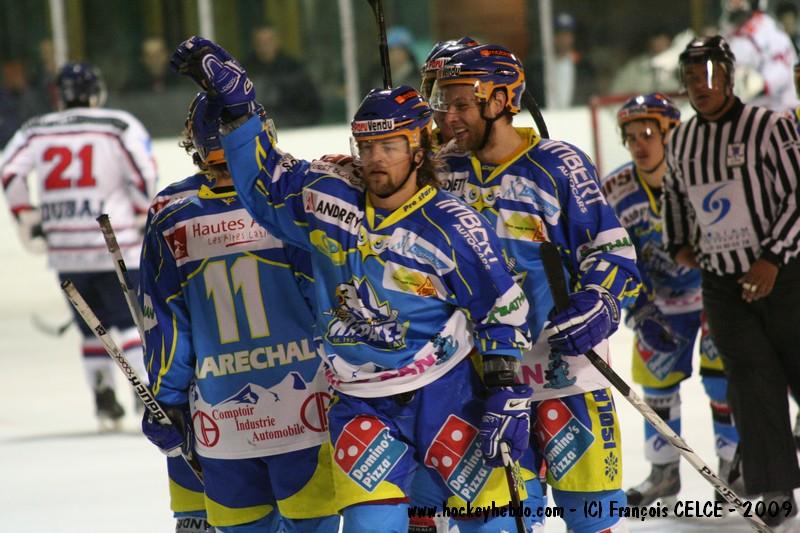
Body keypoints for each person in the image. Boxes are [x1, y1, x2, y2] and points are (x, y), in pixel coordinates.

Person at [170, 36, 535, 533]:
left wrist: (507, 394)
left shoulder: (454, 224)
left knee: (491, 525)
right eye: (366, 147)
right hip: (360, 401)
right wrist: (240, 108)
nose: (375, 159)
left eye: (389, 146)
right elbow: (265, 184)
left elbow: (501, 310)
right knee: (370, 526)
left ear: (419, 148)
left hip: (446, 392)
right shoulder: (329, 197)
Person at [431, 43, 641, 533]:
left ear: (500, 100)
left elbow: (611, 248)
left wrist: (600, 301)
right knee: (499, 523)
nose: (449, 117)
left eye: (462, 104)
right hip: (483, 386)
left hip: (568, 376)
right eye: (444, 103)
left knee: (591, 518)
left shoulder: (557, 165)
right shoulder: (440, 172)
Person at [138, 91, 340, 533]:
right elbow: (329, 302)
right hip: (306, 407)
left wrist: (166, 398)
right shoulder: (293, 197)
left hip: (221, 418)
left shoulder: (171, 213)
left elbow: (166, 322)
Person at [662, 35, 800, 527]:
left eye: (709, 75)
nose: (700, 86)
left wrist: (772, 259)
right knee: (750, 383)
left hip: (785, 276)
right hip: (723, 285)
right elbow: (674, 196)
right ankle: (776, 489)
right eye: (690, 77)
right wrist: (677, 243)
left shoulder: (770, 126)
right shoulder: (682, 139)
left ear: (729, 75)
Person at [602, 93, 741, 506]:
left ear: (671, 135)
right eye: (630, 137)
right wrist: (639, 309)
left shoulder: (703, 177)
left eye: (647, 133)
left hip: (714, 296)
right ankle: (663, 473)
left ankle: (734, 466)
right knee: (657, 384)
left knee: (723, 379)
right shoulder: (615, 189)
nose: (638, 144)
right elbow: (612, 254)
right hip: (657, 303)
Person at [0, 62, 157, 429]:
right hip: (115, 242)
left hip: (65, 248)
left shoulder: (35, 129)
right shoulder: (117, 124)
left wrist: (26, 216)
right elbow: (144, 173)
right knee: (129, 322)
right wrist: (141, 211)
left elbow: (9, 171)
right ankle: (146, 393)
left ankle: (104, 400)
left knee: (91, 327)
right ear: (96, 91)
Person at [723, 0, 799, 111]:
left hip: (780, 110)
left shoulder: (767, 29)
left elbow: (782, 69)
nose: (734, 2)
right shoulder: (731, 33)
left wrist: (760, 84)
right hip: (752, 111)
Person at [245, 26, 322, 127]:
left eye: (268, 41)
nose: (264, 46)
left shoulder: (293, 69)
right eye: (260, 42)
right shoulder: (246, 71)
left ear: (277, 42)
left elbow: (311, 109)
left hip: (292, 129)